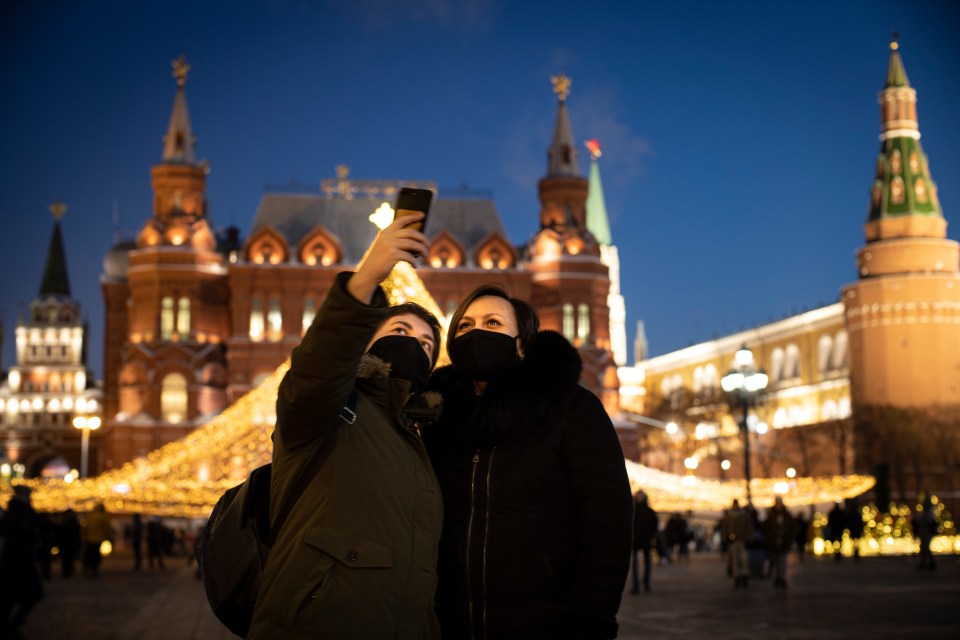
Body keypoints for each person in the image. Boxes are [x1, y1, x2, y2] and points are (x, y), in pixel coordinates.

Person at [248, 212, 445, 639]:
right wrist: (367, 278)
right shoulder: (330, 407)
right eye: (400, 329)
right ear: (366, 339)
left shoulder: (420, 437)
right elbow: (320, 366)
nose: (416, 343)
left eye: (428, 344)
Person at [425, 284, 633, 639]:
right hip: (452, 624)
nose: (476, 332)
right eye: (465, 325)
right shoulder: (438, 419)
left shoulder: (569, 408)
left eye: (492, 323)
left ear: (521, 343)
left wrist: (590, 617)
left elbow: (609, 515)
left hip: (547, 624)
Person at [0, 485, 45, 639]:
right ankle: (15, 622)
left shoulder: (9, 513)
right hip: (23, 559)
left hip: (8, 558)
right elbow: (29, 533)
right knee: (35, 593)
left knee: (8, 596)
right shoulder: (24, 513)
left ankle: (6, 624)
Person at [761, 496, 795, 588]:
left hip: (784, 541)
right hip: (774, 542)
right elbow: (766, 529)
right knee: (776, 561)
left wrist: (788, 539)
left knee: (783, 561)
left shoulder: (786, 515)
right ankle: (778, 577)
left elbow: (791, 528)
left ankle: (782, 578)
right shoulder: (771, 515)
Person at [630, 491, 659, 594]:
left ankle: (646, 584)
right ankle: (636, 586)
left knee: (647, 564)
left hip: (646, 540)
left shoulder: (649, 511)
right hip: (635, 541)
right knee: (635, 565)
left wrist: (652, 537)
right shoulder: (633, 510)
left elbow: (654, 526)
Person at [721, 499, 753, 588]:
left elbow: (749, 528)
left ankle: (744, 576)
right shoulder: (731, 515)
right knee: (735, 560)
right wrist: (725, 539)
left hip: (742, 541)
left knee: (743, 560)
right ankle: (737, 577)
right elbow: (725, 528)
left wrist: (748, 539)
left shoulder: (743, 515)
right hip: (733, 541)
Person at [81, 502, 113, 577]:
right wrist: (109, 537)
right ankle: (94, 569)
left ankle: (88, 567)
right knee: (96, 555)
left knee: (90, 554)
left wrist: (84, 537)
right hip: (98, 539)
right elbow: (107, 529)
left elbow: (84, 529)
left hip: (89, 539)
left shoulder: (89, 517)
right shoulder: (102, 517)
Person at [913, 494, 937, 570]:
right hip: (924, 532)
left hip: (926, 533)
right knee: (923, 548)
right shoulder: (926, 514)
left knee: (925, 548)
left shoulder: (929, 514)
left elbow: (928, 523)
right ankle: (925, 562)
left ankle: (929, 562)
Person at [58, 508, 81, 578]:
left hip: (65, 543)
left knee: (66, 558)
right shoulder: (73, 522)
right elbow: (77, 533)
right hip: (70, 542)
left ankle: (66, 571)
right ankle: (68, 570)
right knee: (69, 557)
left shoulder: (62, 522)